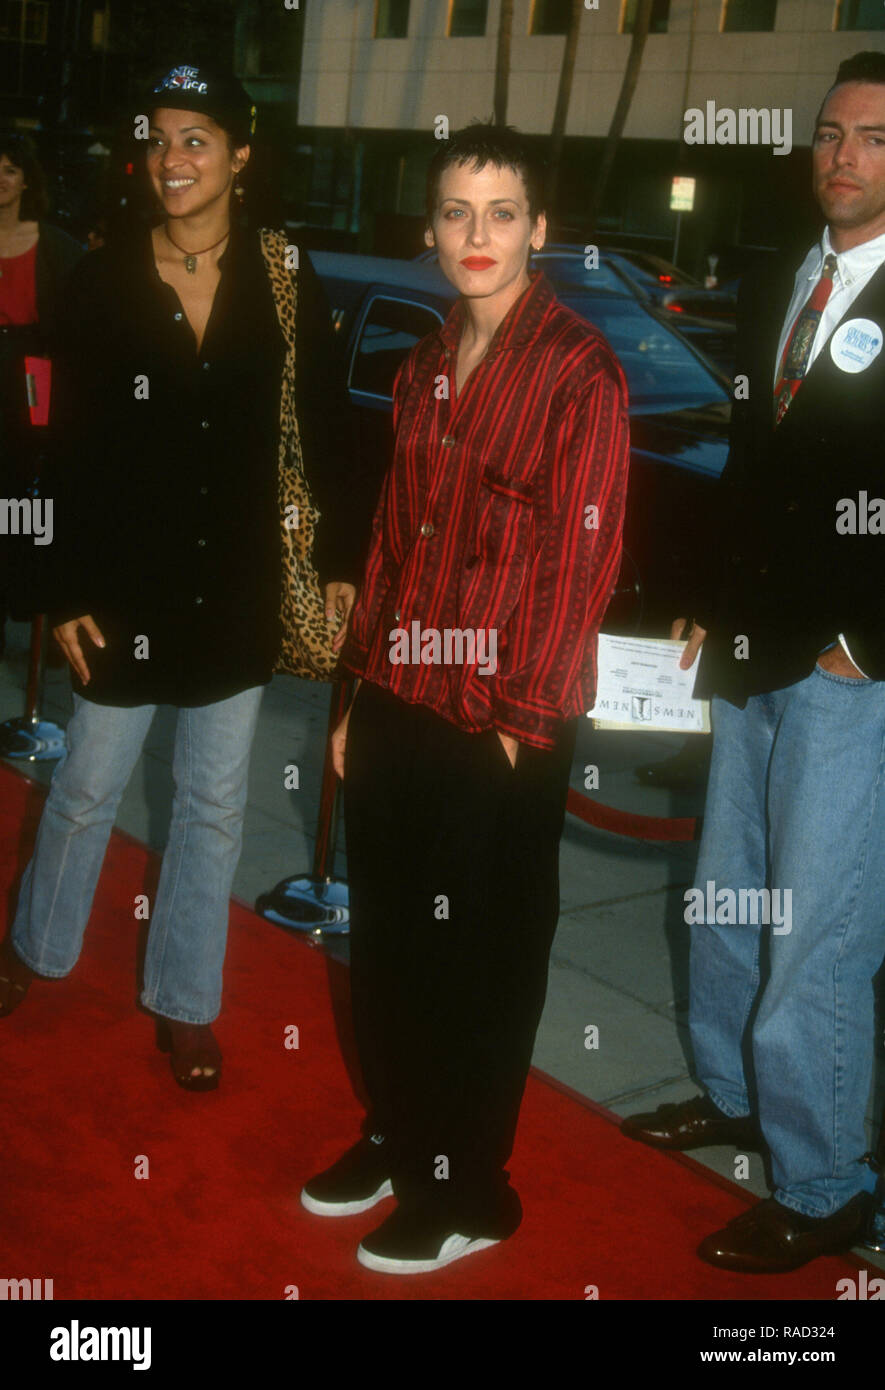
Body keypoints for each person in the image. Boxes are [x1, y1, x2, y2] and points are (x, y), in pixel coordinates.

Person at [300, 123, 630, 1274]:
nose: (475, 235)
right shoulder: (425, 361)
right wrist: (354, 700)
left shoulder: (578, 370)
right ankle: (400, 1137)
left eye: (499, 214)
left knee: (477, 970)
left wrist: (522, 729)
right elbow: (393, 545)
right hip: (398, 697)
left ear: (541, 230)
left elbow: (578, 567)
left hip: (499, 725)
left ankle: (470, 1190)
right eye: (454, 213)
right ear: (431, 229)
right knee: (387, 945)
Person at [0, 63, 359, 1089]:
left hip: (235, 590)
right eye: (159, 138)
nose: (173, 159)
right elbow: (55, 450)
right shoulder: (102, 279)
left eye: (196, 138)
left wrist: (336, 558)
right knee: (84, 786)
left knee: (213, 804)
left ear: (241, 157)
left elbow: (324, 423)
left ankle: (186, 1001)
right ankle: (36, 944)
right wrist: (59, 587)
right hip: (122, 588)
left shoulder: (285, 273)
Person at [622, 51, 885, 1273]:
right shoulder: (788, 271)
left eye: (874, 140)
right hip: (751, 651)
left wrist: (861, 649)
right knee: (727, 901)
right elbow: (751, 470)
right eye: (832, 134)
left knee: (817, 939)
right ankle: (733, 1096)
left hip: (850, 679)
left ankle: (826, 1176)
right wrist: (704, 603)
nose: (844, 156)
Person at [0, 133, 82, 655]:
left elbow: (81, 317)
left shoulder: (52, 243)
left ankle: (37, 608)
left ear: (26, 179)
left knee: (30, 494)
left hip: (32, 377)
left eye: (9, 169)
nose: (0, 179)